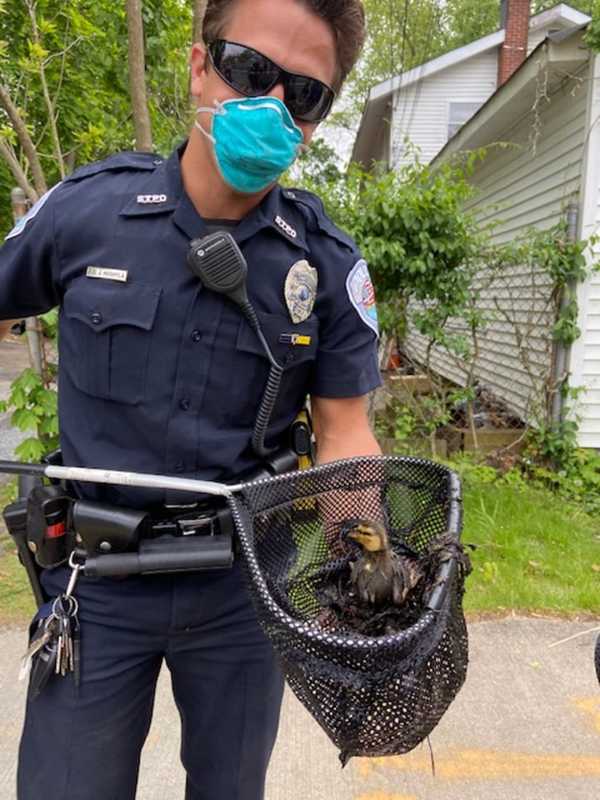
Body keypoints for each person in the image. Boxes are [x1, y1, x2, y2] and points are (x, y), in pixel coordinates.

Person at [0, 0, 381, 797]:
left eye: (304, 95)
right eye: (252, 71)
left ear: (318, 119)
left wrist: (369, 570)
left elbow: (344, 435)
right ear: (200, 64)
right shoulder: (88, 211)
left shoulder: (327, 266)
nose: (274, 106)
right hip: (95, 582)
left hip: (243, 591)